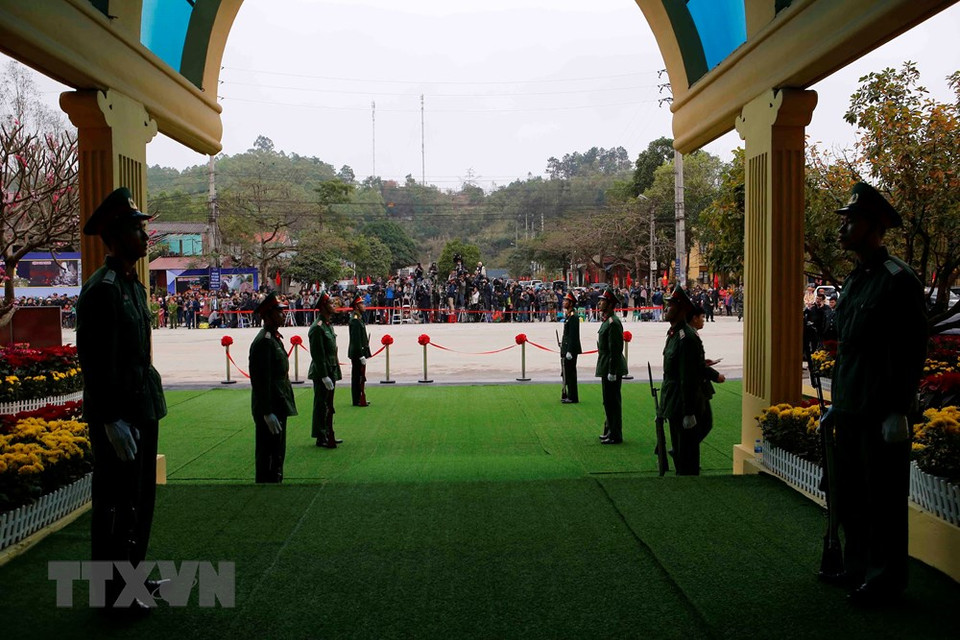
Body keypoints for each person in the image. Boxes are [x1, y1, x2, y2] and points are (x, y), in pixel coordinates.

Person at [823, 182, 927, 605]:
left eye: (851, 220)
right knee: (850, 492)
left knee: (883, 497)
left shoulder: (898, 280)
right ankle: (858, 566)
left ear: (876, 226)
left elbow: (910, 350)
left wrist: (899, 410)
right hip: (851, 404)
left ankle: (886, 579)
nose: (843, 228)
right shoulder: (855, 280)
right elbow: (849, 350)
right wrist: (836, 403)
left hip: (881, 408)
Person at [76, 187, 167, 613]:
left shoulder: (133, 287)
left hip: (142, 407)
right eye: (136, 228)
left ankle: (132, 576)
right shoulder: (102, 290)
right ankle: (110, 595)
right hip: (120, 414)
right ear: (115, 235)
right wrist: (110, 418)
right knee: (115, 503)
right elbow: (94, 361)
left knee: (139, 500)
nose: (144, 235)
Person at [248, 292, 297, 483]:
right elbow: (260, 381)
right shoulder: (264, 342)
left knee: (277, 450)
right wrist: (266, 412)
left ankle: (275, 481)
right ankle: (265, 486)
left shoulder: (274, 338)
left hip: (279, 400)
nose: (283, 315)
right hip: (270, 405)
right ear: (267, 315)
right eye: (278, 312)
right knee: (268, 451)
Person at [661, 284, 708, 475]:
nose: (666, 309)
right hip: (673, 401)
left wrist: (689, 411)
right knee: (679, 451)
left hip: (682, 404)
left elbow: (687, 377)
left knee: (686, 454)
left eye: (671, 306)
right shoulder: (674, 334)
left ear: (681, 311)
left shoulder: (686, 337)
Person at [309, 293, 343, 448]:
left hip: (330, 368)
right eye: (330, 303)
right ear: (323, 307)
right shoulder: (317, 328)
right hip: (322, 371)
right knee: (321, 404)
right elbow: (318, 355)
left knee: (328, 404)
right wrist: (324, 376)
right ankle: (320, 435)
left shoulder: (328, 324)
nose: (333, 304)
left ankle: (328, 432)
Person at [596, 287, 628, 444]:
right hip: (606, 364)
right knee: (607, 400)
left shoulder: (613, 323)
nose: (599, 303)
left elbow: (615, 349)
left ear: (609, 304)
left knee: (613, 401)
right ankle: (609, 429)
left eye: (603, 301)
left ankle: (615, 434)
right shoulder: (607, 321)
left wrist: (612, 370)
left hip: (611, 366)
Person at [689, 304, 725, 444]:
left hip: (697, 385)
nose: (703, 320)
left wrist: (704, 362)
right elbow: (696, 366)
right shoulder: (690, 336)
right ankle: (683, 451)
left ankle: (682, 450)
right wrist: (716, 376)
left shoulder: (690, 334)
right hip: (696, 387)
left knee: (701, 423)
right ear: (694, 318)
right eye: (702, 317)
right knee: (704, 422)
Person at [348, 293, 372, 407]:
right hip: (357, 353)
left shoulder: (358, 318)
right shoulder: (355, 319)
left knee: (359, 376)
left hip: (359, 352)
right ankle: (357, 399)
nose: (364, 305)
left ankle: (359, 397)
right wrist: (360, 355)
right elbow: (356, 340)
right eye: (362, 304)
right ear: (357, 306)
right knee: (357, 376)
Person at [560, 290, 582, 404]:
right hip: (567, 348)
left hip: (571, 350)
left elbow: (573, 335)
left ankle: (573, 397)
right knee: (567, 373)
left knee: (571, 373)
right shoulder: (569, 315)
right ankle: (569, 394)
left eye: (566, 301)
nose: (564, 302)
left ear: (571, 303)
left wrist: (569, 351)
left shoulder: (573, 316)